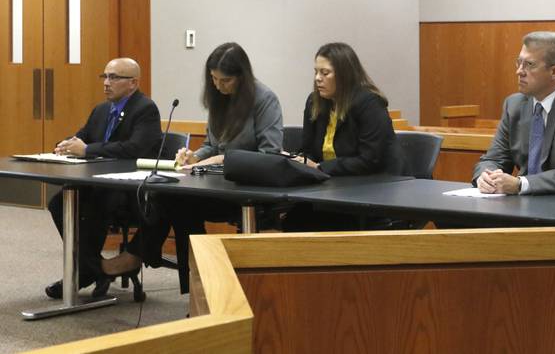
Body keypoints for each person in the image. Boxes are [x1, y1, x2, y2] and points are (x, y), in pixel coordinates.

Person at [101, 42, 283, 292]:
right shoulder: (218, 98)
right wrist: (194, 156)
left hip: (248, 189)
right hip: (216, 184)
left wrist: (223, 159)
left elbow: (270, 154)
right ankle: (195, 288)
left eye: (225, 81)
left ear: (242, 77)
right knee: (172, 198)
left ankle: (139, 256)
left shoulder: (265, 99)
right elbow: (211, 144)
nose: (218, 86)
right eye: (214, 79)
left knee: (178, 203)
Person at [45, 57, 162, 299]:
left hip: (129, 190)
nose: (107, 83)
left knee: (95, 203)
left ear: (133, 83)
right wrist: (65, 145)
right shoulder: (101, 110)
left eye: (114, 77)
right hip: (98, 183)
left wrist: (87, 150)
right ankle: (93, 269)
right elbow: (82, 136)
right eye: (105, 77)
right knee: (59, 203)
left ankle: (85, 273)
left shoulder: (145, 109)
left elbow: (134, 149)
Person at [281, 42, 401, 231]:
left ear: (344, 74)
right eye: (316, 72)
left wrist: (320, 167)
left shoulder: (369, 104)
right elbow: (309, 150)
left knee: (311, 222)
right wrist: (299, 161)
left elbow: (370, 160)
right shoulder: (315, 102)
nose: (318, 79)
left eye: (325, 73)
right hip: (332, 187)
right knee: (293, 220)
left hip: (372, 188)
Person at [473, 31, 555, 195]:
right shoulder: (514, 104)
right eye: (519, 63)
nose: (519, 71)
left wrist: (521, 184)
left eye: (529, 65)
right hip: (527, 206)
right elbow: (493, 158)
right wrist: (485, 176)